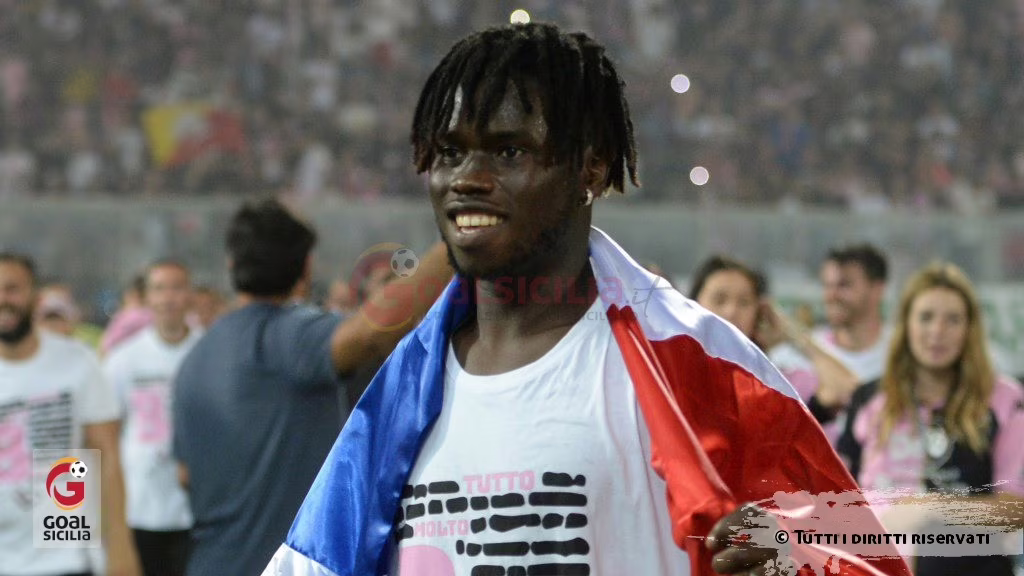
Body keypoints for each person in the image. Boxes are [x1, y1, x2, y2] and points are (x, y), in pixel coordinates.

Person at [265, 23, 909, 576]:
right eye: (450, 152)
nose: (467, 179)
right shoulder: (396, 401)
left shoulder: (704, 369)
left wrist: (795, 562)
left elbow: (861, 559)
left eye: (509, 150)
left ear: (591, 169)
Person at [171, 198, 452, 576]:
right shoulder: (286, 336)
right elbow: (368, 333)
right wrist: (456, 245)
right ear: (306, 268)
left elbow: (184, 475)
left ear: (232, 263)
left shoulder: (194, 359)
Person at [836, 262, 1024, 576]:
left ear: (970, 329)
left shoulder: (1004, 399)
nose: (937, 331)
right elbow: (839, 495)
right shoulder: (869, 398)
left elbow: (1015, 508)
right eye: (926, 317)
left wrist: (928, 510)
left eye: (953, 320)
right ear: (906, 324)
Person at [0, 253, 142, 576]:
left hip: (63, 547)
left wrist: (120, 549)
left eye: (12, 289)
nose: (3, 299)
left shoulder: (76, 362)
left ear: (35, 297)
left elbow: (107, 456)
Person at [103, 259, 201, 576]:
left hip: (196, 510)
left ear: (190, 295)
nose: (168, 298)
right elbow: (106, 433)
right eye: (159, 289)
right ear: (146, 297)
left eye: (177, 287)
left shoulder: (208, 351)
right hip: (139, 508)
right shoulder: (123, 359)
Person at [689, 255, 859, 425]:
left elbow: (845, 387)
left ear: (759, 312)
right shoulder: (678, 377)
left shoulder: (779, 387)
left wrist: (790, 332)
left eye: (744, 302)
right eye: (719, 300)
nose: (731, 311)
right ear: (692, 304)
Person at [814, 243, 891, 383]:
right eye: (827, 285)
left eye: (844, 285)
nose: (831, 295)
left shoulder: (901, 354)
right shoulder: (803, 356)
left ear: (877, 289)